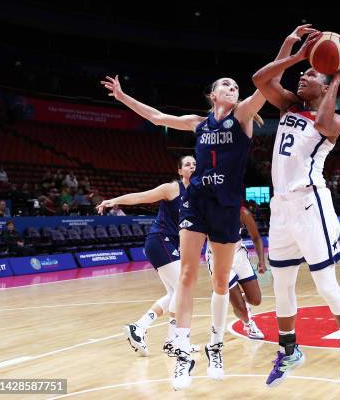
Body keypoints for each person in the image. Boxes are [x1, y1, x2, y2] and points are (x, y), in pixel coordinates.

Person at [102, 69, 265, 390]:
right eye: (226, 85)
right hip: (197, 202)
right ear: (213, 95)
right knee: (187, 278)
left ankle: (214, 346)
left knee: (221, 282)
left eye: (236, 86)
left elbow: (265, 84)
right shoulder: (197, 123)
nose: (233, 88)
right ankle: (182, 356)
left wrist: (291, 49)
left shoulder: (243, 115)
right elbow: (157, 116)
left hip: (227, 207)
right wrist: (122, 98)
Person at [252, 24, 340, 388]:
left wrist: (337, 78)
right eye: (303, 72)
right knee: (281, 284)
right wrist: (296, 50)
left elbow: (324, 121)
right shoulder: (287, 104)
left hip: (310, 204)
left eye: (311, 74)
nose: (303, 76)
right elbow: (259, 78)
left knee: (325, 284)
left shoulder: (333, 120)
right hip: (281, 207)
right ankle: (289, 350)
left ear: (325, 85)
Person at [97, 156, 199, 357]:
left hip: (170, 244)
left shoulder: (197, 195)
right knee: (182, 288)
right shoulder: (172, 189)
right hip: (160, 240)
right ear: (180, 171)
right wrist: (114, 201)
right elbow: (140, 197)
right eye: (188, 164)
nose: (192, 167)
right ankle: (175, 342)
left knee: (173, 294)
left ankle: (139, 327)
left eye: (195, 164)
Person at [205, 206, 267, 340]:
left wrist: (261, 261)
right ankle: (248, 324)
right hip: (218, 259)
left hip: (238, 255)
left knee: (256, 300)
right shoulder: (207, 211)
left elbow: (256, 237)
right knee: (240, 306)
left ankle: (237, 298)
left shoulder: (242, 213)